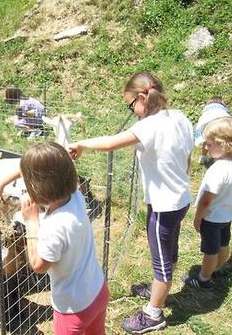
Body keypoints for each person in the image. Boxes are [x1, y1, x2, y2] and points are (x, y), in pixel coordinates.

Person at [68, 71, 194, 334]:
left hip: (164, 205)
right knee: (168, 249)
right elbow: (188, 157)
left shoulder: (148, 125)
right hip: (180, 198)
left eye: (131, 105)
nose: (133, 111)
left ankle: (154, 313)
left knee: (161, 259)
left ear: (141, 98)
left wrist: (80, 144)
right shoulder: (179, 116)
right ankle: (158, 287)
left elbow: (111, 143)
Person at [0, 142, 109, 335]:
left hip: (73, 310)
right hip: (98, 291)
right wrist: (2, 183)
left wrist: (31, 222)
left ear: (36, 187)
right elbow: (40, 168)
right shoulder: (76, 196)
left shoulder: (54, 226)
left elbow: (38, 265)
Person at [183, 117, 232, 288]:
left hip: (212, 218)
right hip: (227, 215)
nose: (206, 148)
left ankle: (204, 278)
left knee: (210, 251)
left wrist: (197, 218)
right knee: (224, 244)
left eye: (209, 144)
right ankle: (217, 268)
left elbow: (206, 201)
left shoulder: (217, 170)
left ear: (223, 144)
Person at [194, 97, 231, 168]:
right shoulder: (222, 110)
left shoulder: (207, 111)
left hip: (207, 123)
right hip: (221, 123)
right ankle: (220, 157)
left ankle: (203, 157)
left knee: (206, 141)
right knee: (221, 141)